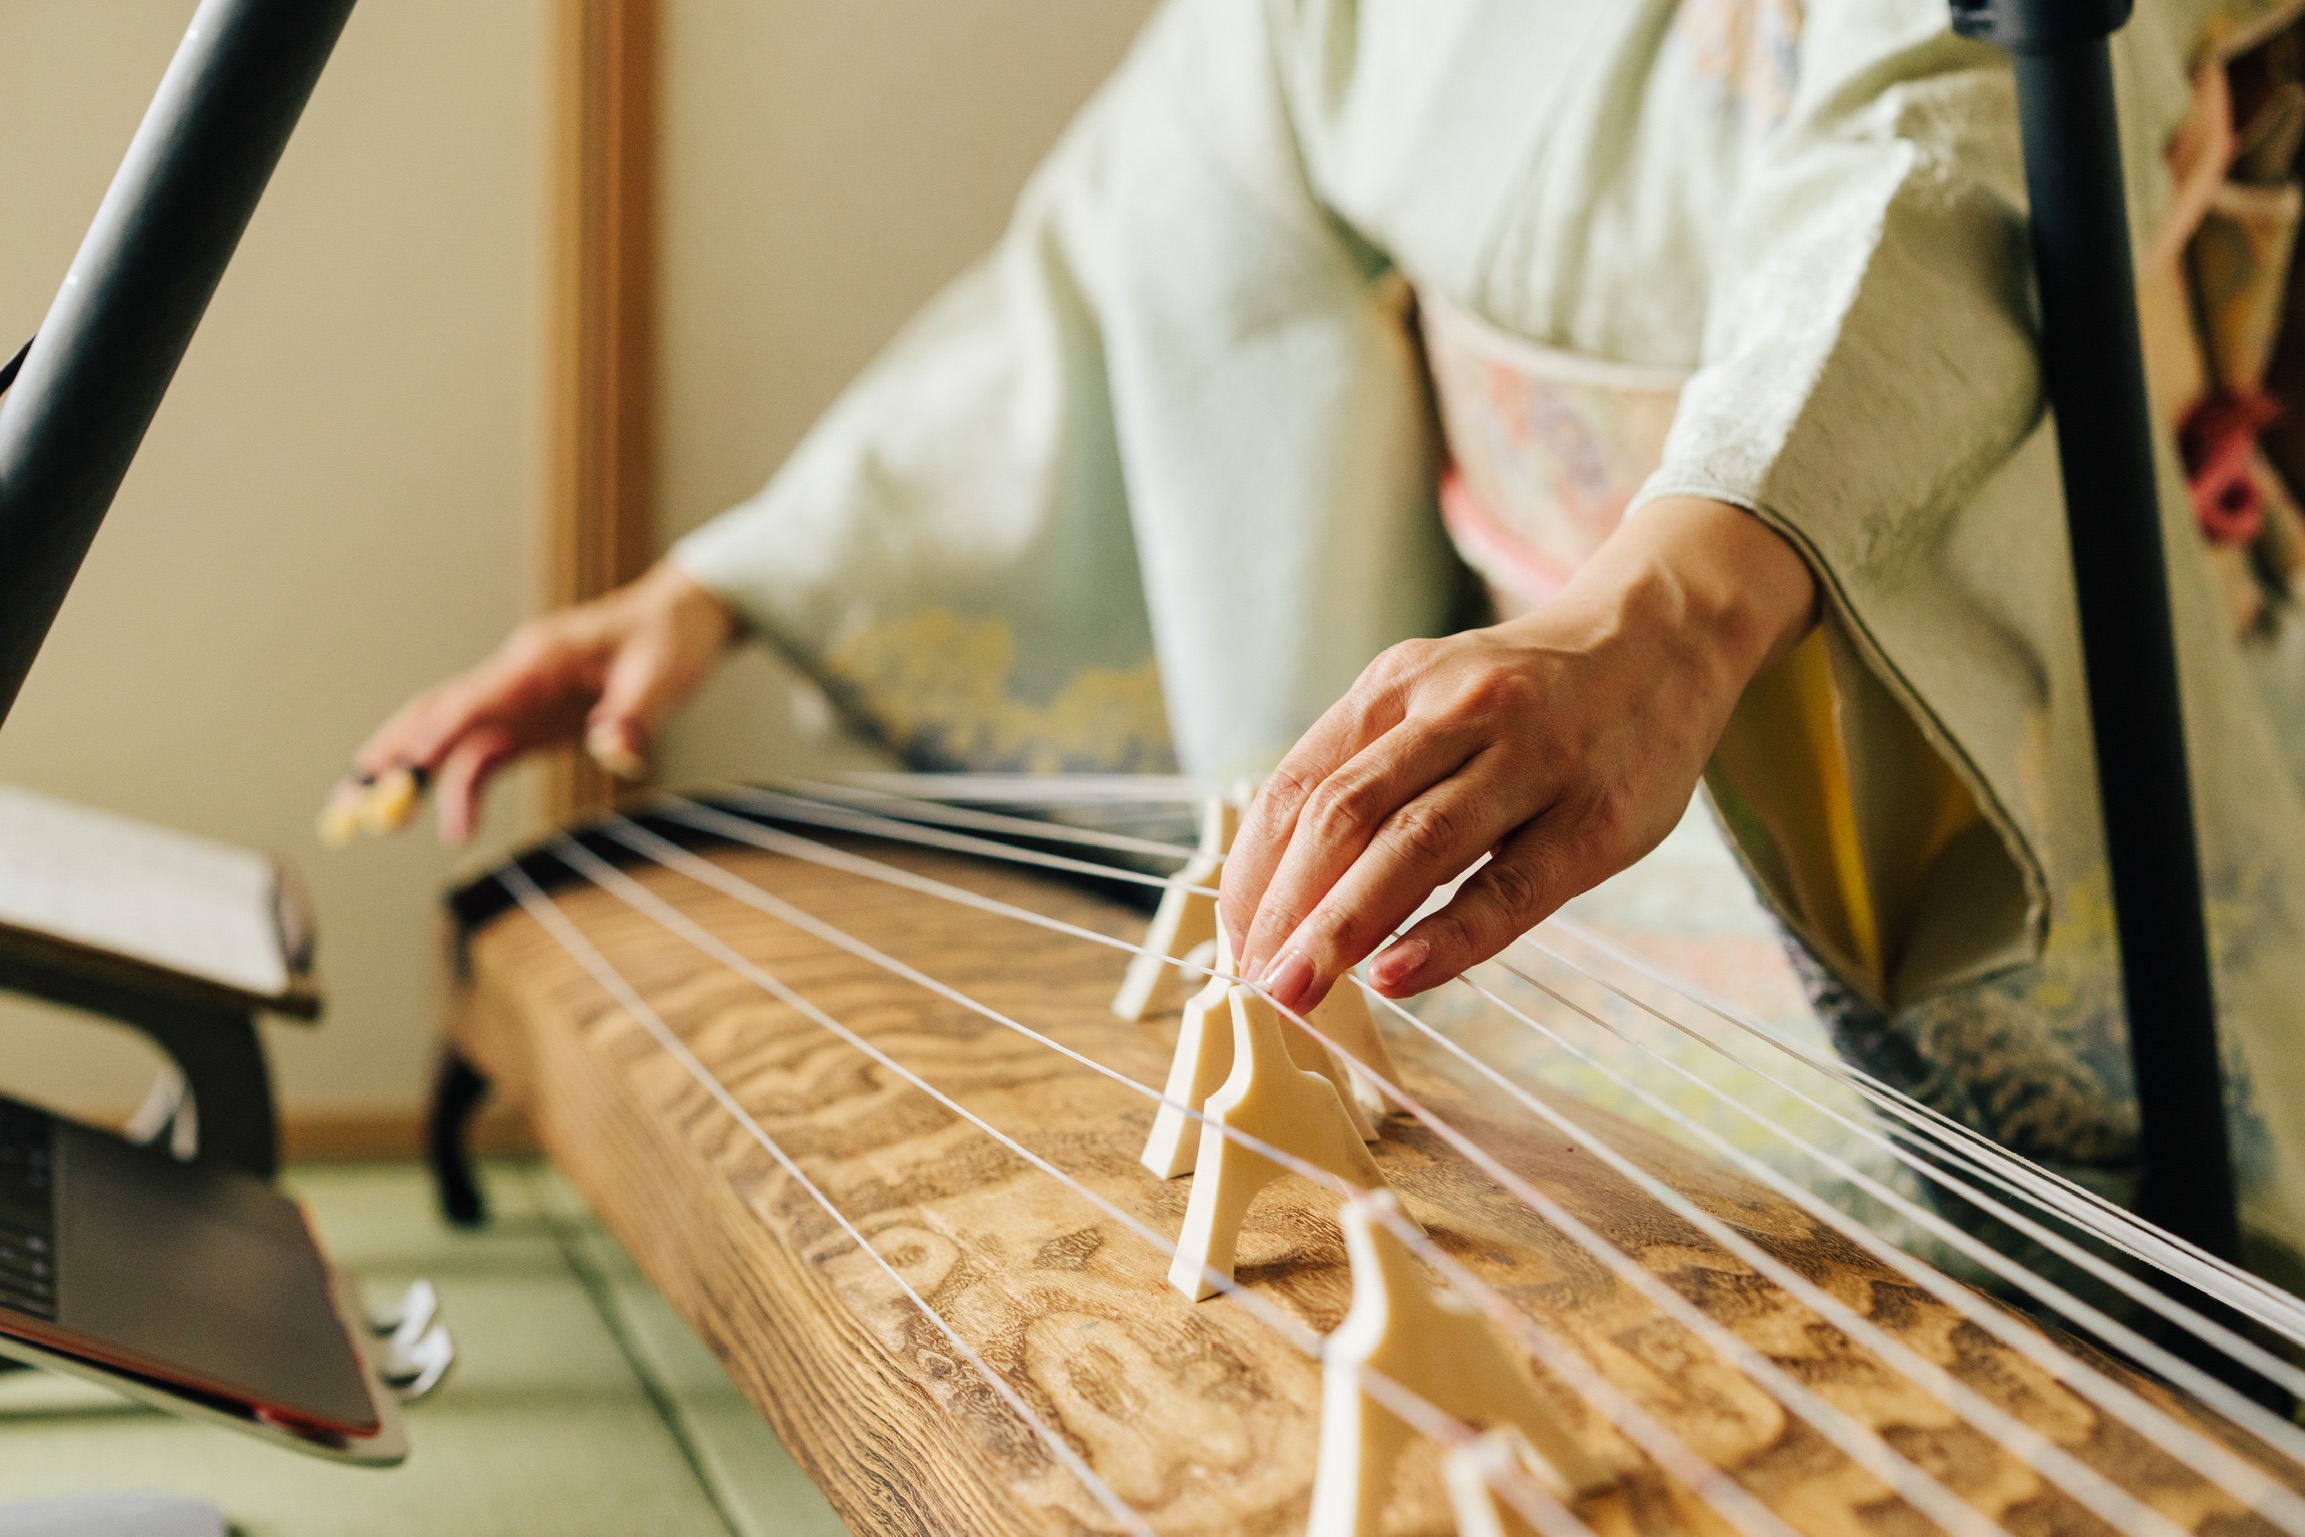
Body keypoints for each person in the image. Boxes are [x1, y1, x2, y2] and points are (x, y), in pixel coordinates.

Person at [333, 0, 2305, 1275]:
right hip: (1555, 853)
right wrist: (726, 577)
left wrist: (1669, 607)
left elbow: (1957, 140)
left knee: (2065, 1325)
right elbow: (1138, 237)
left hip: (1929, 746)